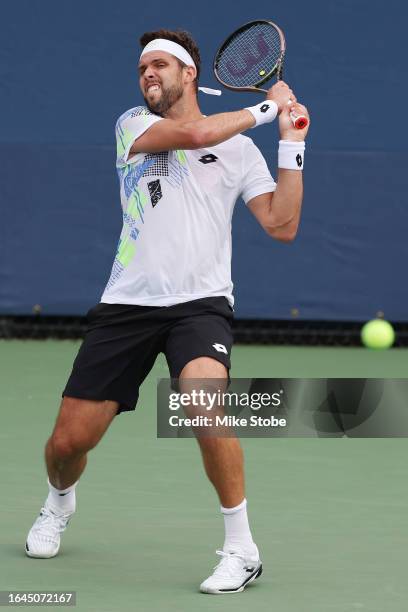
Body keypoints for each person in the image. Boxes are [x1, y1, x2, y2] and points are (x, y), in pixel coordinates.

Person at [25, 28, 309, 595]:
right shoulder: (134, 124)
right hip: (127, 303)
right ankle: (58, 502)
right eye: (141, 68)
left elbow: (282, 223)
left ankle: (241, 548)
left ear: (189, 74)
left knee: (204, 406)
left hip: (200, 305)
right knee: (66, 444)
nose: (148, 74)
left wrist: (291, 142)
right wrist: (264, 106)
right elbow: (199, 131)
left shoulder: (240, 147)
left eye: (160, 65)